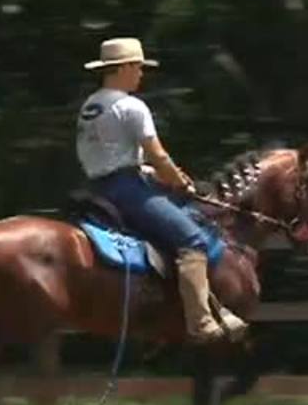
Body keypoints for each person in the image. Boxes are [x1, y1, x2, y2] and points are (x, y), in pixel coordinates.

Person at [76, 37, 247, 345]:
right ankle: (201, 322)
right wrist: (179, 181)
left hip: (98, 186)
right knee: (192, 239)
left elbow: (110, 155)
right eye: (139, 68)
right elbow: (158, 154)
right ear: (125, 67)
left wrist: (157, 174)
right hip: (126, 188)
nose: (141, 74)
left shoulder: (91, 105)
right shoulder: (131, 106)